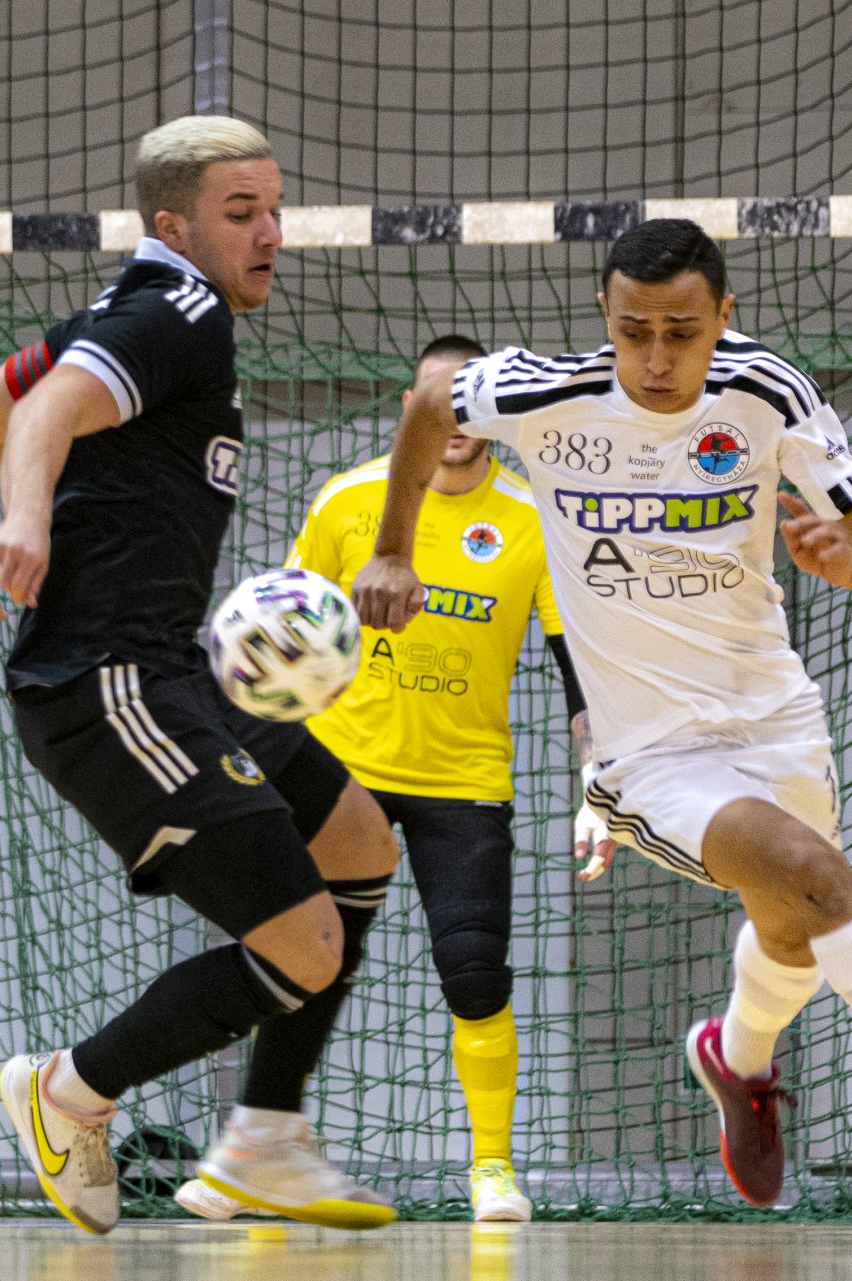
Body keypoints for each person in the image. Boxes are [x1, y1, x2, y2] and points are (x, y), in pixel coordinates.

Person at [349, 218, 852, 1208]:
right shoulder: (543, 393)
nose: (657, 358)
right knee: (817, 877)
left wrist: (847, 561)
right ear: (606, 319)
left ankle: (737, 1065)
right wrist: (393, 548)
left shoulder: (769, 392)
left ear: (723, 318)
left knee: (796, 928)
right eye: (634, 331)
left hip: (775, 720)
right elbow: (432, 401)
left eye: (682, 332)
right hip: (650, 757)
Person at [0, 115, 401, 1234]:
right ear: (173, 223)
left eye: (276, 209)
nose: (270, 233)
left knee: (361, 840)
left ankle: (266, 1141)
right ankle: (71, 1090)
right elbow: (39, 418)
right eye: (242, 214)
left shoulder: (132, 309)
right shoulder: (178, 313)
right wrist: (14, 523)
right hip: (109, 684)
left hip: (177, 669)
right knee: (307, 947)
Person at [173, 335, 591, 1224]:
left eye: (467, 405)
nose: (451, 422)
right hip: (339, 773)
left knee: (474, 970)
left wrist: (599, 769)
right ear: (411, 407)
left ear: (487, 415)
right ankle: (254, 1155)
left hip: (462, 777)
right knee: (303, 956)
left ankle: (491, 1170)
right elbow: (277, 629)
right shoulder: (348, 500)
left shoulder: (529, 518)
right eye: (434, 402)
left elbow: (574, 664)